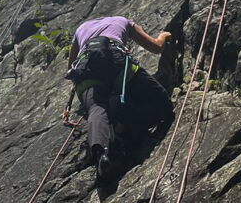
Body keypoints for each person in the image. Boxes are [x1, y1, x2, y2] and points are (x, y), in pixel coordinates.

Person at [66, 16, 174, 184]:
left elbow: (70, 68)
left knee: (96, 107)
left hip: (85, 69)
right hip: (116, 62)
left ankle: (101, 153)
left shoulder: (81, 28)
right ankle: (122, 127)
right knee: (162, 104)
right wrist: (164, 36)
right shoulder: (123, 21)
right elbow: (156, 47)